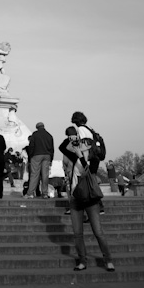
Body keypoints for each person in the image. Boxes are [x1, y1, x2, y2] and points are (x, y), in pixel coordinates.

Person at [60, 112, 114, 272]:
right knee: (77, 234)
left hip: (90, 197)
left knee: (98, 232)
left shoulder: (89, 158)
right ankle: (82, 260)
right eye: (77, 140)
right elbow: (62, 147)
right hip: (76, 198)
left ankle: (108, 259)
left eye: (82, 142)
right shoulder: (71, 152)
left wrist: (81, 155)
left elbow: (88, 167)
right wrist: (70, 138)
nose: (79, 143)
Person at [26, 122, 54, 199]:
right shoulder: (49, 135)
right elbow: (52, 149)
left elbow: (31, 146)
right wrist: (51, 159)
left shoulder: (35, 134)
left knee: (34, 174)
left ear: (37, 127)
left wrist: (30, 157)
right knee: (45, 175)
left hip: (37, 155)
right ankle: (45, 193)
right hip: (47, 155)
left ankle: (30, 193)